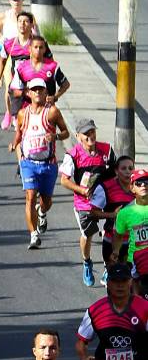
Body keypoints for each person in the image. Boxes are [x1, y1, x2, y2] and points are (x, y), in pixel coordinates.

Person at [9, 78, 69, 250]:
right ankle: (33, 234)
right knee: (30, 196)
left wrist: (55, 136)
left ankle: (42, 212)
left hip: (48, 164)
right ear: (28, 93)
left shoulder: (52, 112)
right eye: (34, 90)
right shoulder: (23, 113)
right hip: (29, 163)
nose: (37, 93)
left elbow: (65, 132)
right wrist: (14, 144)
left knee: (46, 201)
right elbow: (19, 133)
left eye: (40, 90)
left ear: (45, 93)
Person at [59, 119, 117, 286]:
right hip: (84, 204)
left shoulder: (106, 149)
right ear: (78, 136)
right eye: (86, 133)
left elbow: (115, 172)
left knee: (110, 233)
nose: (90, 136)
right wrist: (82, 190)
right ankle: (87, 262)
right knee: (88, 234)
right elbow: (64, 180)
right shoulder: (72, 155)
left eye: (92, 131)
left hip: (106, 200)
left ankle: (108, 267)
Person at [96, 156, 135, 282]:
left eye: (130, 168)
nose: (128, 171)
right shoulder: (106, 187)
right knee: (115, 281)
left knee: (130, 281)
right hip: (112, 241)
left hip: (133, 243)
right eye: (123, 168)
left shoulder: (140, 187)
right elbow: (92, 213)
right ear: (116, 171)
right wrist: (112, 215)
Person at [113, 168, 148, 295]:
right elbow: (118, 235)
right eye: (139, 183)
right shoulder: (124, 213)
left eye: (146, 182)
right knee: (136, 295)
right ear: (132, 188)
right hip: (136, 259)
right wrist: (116, 251)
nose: (143, 185)